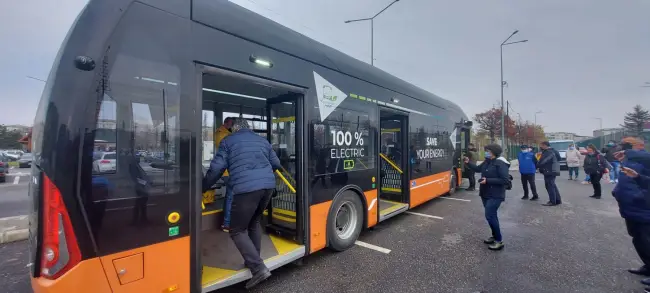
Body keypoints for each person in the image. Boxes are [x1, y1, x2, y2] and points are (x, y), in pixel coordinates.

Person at [202, 118, 282, 289]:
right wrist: (263, 176)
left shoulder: (228, 141)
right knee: (253, 223)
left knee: (236, 230)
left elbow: (216, 168)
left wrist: (203, 187)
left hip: (246, 189)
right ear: (249, 128)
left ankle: (258, 268)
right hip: (267, 187)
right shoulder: (262, 141)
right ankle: (253, 259)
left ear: (235, 129)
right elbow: (276, 163)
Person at [611, 137, 650, 290]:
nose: (623, 149)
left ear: (640, 145)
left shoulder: (645, 158)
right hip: (629, 206)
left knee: (647, 240)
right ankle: (648, 266)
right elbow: (624, 179)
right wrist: (617, 192)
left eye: (628, 146)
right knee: (637, 239)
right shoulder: (629, 160)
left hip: (643, 206)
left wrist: (627, 152)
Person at [464, 144, 511, 251]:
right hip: (485, 193)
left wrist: (488, 180)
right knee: (490, 216)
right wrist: (468, 162)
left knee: (490, 215)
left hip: (496, 194)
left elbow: (505, 180)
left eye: (487, 151)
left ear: (493, 152)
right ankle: (494, 236)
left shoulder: (500, 163)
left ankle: (499, 241)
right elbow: (477, 169)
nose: (485, 152)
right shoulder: (487, 161)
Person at [214, 117, 235, 231]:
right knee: (231, 196)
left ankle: (229, 221)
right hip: (228, 171)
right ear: (226, 123)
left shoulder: (226, 133)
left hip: (229, 169)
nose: (232, 126)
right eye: (231, 124)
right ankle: (226, 223)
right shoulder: (222, 134)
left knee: (232, 195)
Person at [537, 141, 562, 206]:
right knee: (553, 185)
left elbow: (543, 161)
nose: (541, 147)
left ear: (545, 145)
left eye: (541, 145)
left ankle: (552, 201)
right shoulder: (555, 151)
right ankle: (558, 200)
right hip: (554, 170)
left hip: (549, 171)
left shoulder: (547, 152)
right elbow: (559, 159)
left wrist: (537, 166)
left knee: (549, 185)